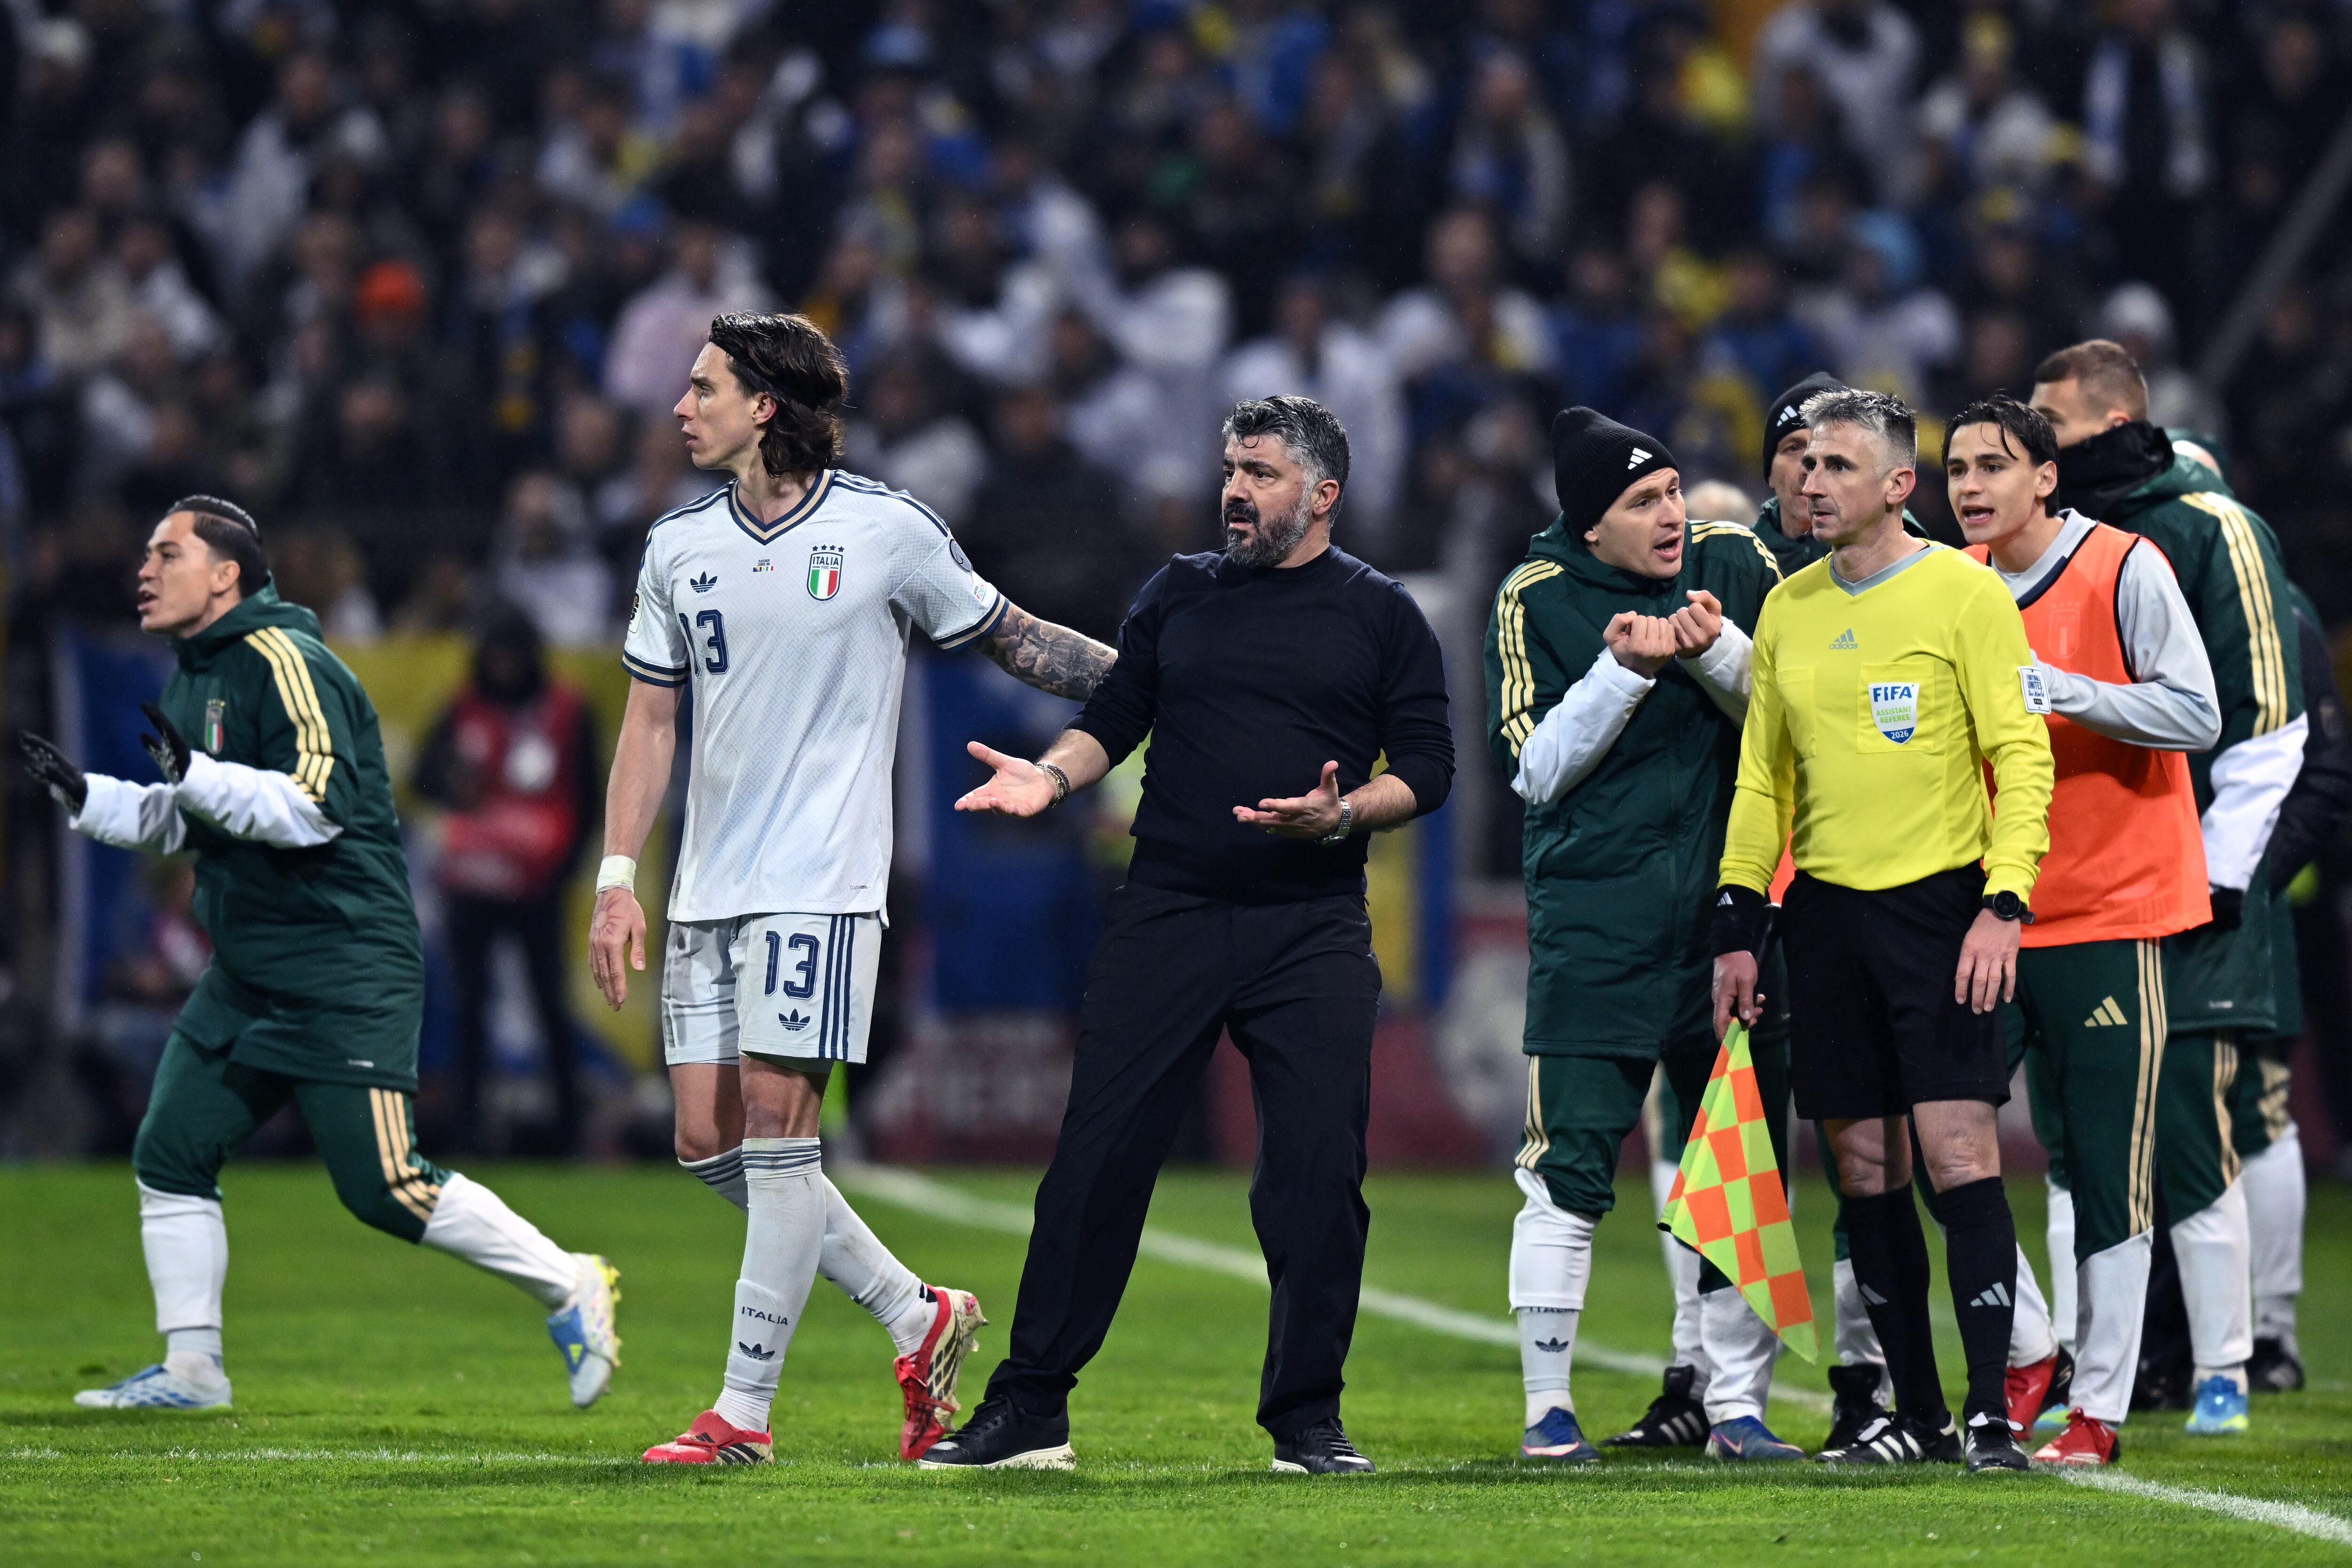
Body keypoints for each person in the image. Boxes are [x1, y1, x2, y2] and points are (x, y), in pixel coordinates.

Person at [590, 312, 1118, 1466]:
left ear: (764, 407)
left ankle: (742, 1414)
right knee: (701, 1140)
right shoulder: (679, 544)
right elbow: (650, 717)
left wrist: (1156, 687)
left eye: (703, 387)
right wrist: (619, 879)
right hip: (707, 884)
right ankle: (913, 1311)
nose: (681, 408)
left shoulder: (886, 531)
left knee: (781, 1133)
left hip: (821, 880)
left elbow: (1013, 636)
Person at [928, 395, 1453, 1475]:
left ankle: (1306, 1421)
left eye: (1259, 472)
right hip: (1166, 909)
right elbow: (1115, 716)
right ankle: (1032, 1408)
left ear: (1323, 495)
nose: (1234, 489)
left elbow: (1429, 767)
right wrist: (1054, 774)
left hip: (1309, 924)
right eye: (1231, 468)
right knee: (1096, 1160)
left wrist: (1347, 811)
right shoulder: (1178, 591)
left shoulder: (1382, 614)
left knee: (1313, 1173)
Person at [18, 496, 619, 1413]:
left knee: (385, 1185)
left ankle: (568, 1278)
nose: (145, 569)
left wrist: (197, 776)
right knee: (172, 1147)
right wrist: (87, 796)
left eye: (167, 553)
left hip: (342, 957)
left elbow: (312, 805)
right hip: (252, 962)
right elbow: (189, 822)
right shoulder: (195, 677)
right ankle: (192, 1370)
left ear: (226, 575)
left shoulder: (285, 659)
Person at [1711, 388, 2053, 1472]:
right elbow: (1763, 780)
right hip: (1824, 918)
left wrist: (2004, 901)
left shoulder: (1963, 594)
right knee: (1862, 1172)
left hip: (1940, 909)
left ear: (1899, 485)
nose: (1811, 481)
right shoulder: (1789, 609)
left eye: (1839, 466)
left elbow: (2023, 754)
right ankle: (1913, 1413)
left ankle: (1993, 1412)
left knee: (1959, 1159)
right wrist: (1737, 916)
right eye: (1804, 462)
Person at [1484, 408, 1798, 1464]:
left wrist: (1718, 653)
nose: (1669, 515)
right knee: (1566, 1164)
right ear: (1588, 525)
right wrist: (1623, 672)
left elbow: (1796, 720)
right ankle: (1545, 1408)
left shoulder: (1734, 562)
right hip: (1594, 925)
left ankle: (1734, 1405)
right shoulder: (1536, 596)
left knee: (1737, 1169)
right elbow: (1532, 767)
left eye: (1671, 490)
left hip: (1727, 927)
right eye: (1639, 502)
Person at [2031, 340, 2306, 1435]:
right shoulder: (2049, 542)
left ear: (2108, 418)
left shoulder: (2209, 529)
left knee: (2201, 1127)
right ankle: (2091, 1356)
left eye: (2050, 421)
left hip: (2183, 886)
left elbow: (2264, 727)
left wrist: (2225, 879)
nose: (2034, 441)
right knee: (2074, 1143)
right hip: (2064, 887)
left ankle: (2238, 1357)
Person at [1949, 394, 2220, 1464]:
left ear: (2046, 479)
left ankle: (2096, 1412)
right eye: (1956, 467)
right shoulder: (1949, 586)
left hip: (2109, 908)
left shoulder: (2123, 567)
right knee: (1942, 1135)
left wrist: (2062, 688)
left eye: (1993, 467)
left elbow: (2195, 712)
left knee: (2105, 1164)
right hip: (1984, 913)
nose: (1968, 486)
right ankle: (2027, 1344)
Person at [413, 608, 599, 1154]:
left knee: (550, 1003)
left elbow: (588, 795)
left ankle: (570, 1131)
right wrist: (452, 787)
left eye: (512, 657)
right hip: (472, 882)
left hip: (537, 885)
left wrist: (563, 874)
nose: (503, 667)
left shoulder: (566, 710)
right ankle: (471, 1131)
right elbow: (422, 776)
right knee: (469, 1007)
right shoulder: (464, 707)